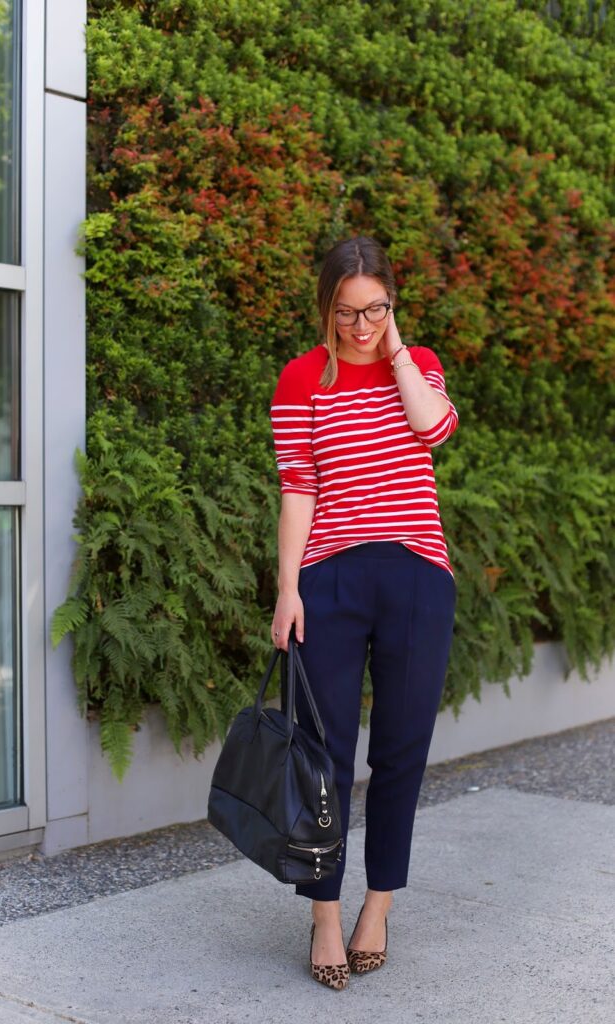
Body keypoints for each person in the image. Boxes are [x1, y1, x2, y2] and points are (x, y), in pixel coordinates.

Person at [269, 235, 459, 990]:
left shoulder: (419, 365)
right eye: (347, 312)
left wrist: (400, 351)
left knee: (402, 750)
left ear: (392, 305)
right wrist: (288, 588)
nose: (360, 326)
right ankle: (323, 915)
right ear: (326, 307)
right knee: (323, 754)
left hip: (416, 574)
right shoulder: (299, 380)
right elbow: (297, 488)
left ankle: (377, 906)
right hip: (331, 579)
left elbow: (433, 428)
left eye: (375, 309)